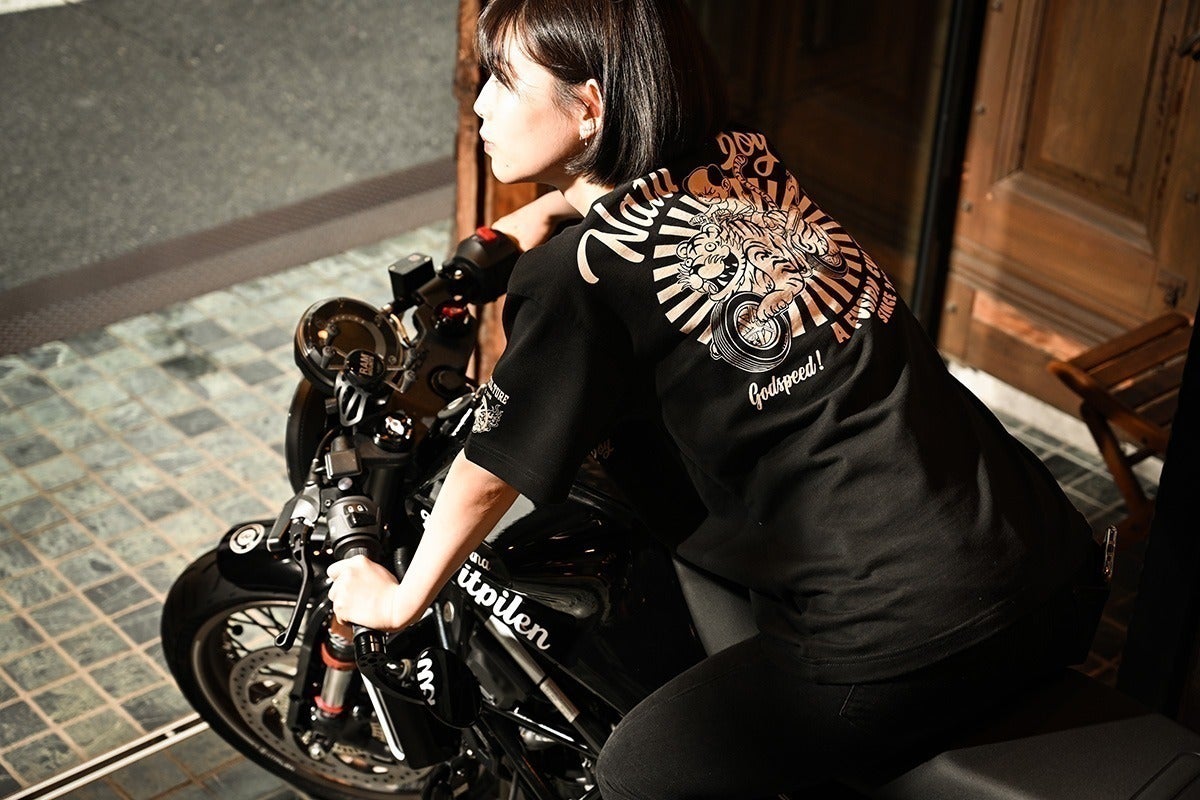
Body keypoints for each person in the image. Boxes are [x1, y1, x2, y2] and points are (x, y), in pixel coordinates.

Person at [327, 1, 1107, 796]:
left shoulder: (577, 280)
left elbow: (491, 472)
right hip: (1050, 557)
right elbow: (644, 203)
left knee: (638, 771)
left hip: (919, 631)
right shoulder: (740, 155)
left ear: (591, 106)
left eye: (503, 79)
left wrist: (398, 600)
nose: (481, 105)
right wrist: (557, 204)